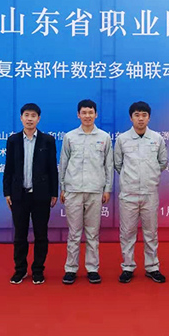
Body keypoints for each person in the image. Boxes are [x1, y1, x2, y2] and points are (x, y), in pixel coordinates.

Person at [3, 103, 58, 285]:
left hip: (41, 195)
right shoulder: (13, 140)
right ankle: (20, 270)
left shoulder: (47, 140)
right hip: (19, 195)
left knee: (41, 235)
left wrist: (54, 192)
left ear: (38, 119)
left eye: (33, 116)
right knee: (20, 235)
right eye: (26, 115)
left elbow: (52, 169)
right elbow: (9, 168)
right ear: (21, 118)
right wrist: (7, 192)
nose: (29, 119)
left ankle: (38, 270)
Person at [60, 99, 113, 285]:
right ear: (78, 115)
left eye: (91, 112)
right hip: (73, 190)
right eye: (84, 112)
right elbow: (63, 163)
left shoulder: (104, 137)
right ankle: (71, 269)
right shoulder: (70, 137)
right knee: (74, 233)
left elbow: (108, 165)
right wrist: (62, 188)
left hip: (95, 190)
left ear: (96, 114)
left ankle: (92, 268)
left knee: (92, 233)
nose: (87, 116)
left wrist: (107, 189)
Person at [114, 101, 168, 283]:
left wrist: (150, 176)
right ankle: (128, 266)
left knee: (151, 232)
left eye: (144, 115)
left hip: (149, 193)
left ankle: (152, 267)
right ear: (131, 118)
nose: (140, 118)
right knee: (127, 232)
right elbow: (118, 164)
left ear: (149, 118)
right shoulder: (122, 139)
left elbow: (162, 162)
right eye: (137, 115)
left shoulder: (157, 139)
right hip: (128, 194)